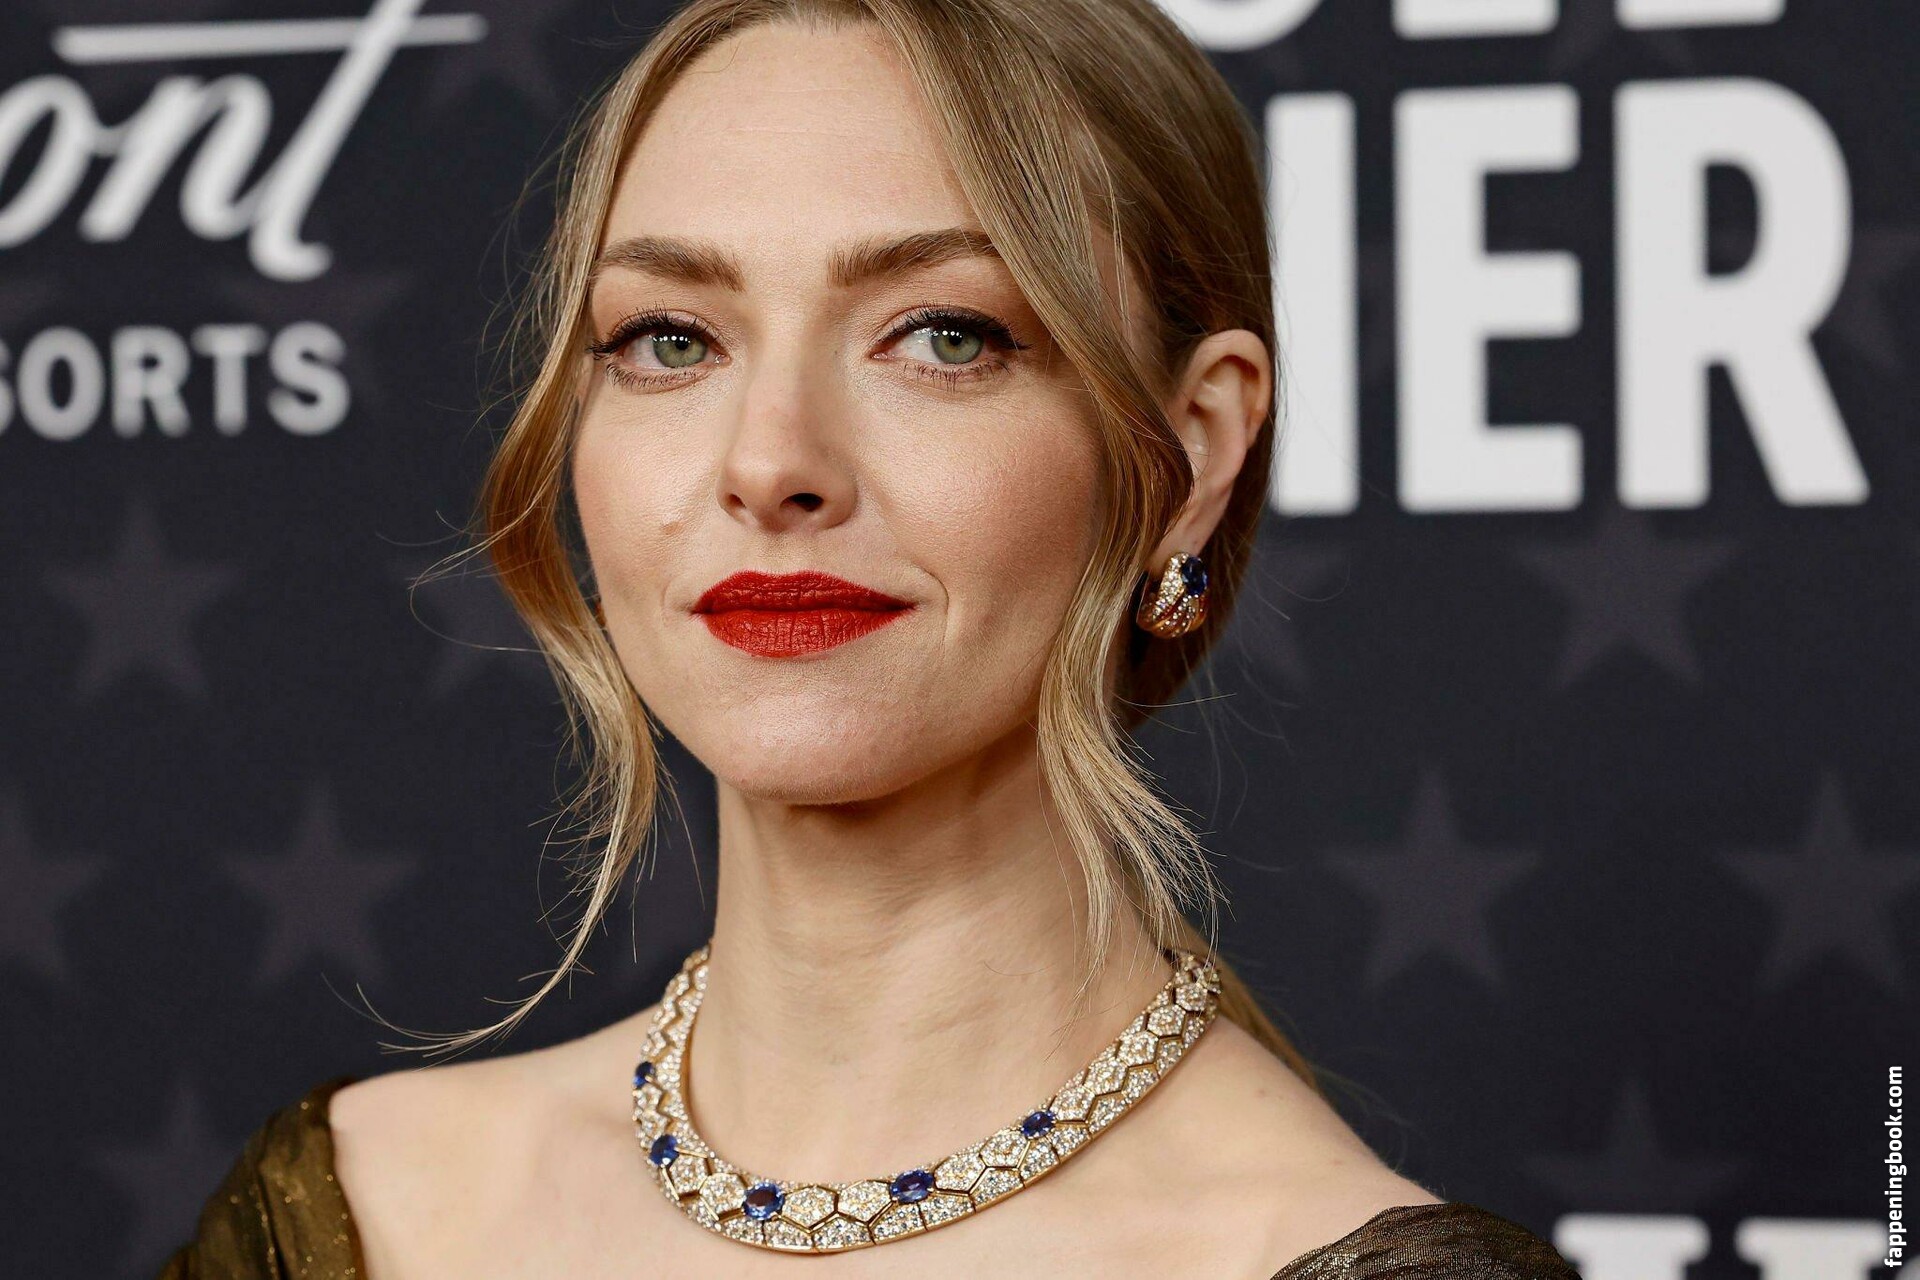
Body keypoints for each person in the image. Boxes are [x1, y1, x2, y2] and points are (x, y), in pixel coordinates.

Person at [159, 1, 1582, 1276]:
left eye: (945, 336)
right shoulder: (351, 1209)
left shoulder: (1311, 1253)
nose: (771, 462)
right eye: (671, 339)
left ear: (1192, 452)